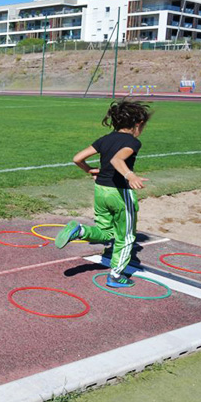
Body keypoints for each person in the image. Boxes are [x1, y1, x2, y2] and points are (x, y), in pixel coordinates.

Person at [55, 100, 152, 288]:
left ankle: (80, 231)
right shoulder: (133, 142)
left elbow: (77, 158)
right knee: (126, 237)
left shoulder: (105, 139)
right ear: (138, 123)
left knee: (106, 232)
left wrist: (89, 170)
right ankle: (116, 276)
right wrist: (130, 175)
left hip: (101, 190)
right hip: (120, 193)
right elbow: (117, 159)